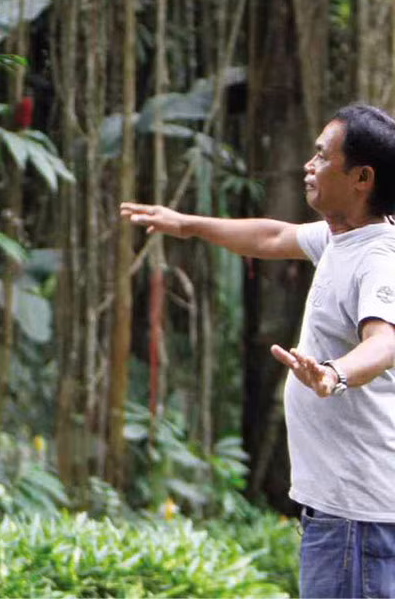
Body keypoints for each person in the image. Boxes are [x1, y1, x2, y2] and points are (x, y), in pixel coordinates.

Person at [121, 103, 395, 598]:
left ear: (361, 177)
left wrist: (334, 374)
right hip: (341, 512)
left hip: (357, 515)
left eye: (321, 156)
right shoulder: (341, 238)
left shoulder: (377, 258)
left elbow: (385, 341)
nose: (308, 167)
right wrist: (186, 224)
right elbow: (272, 235)